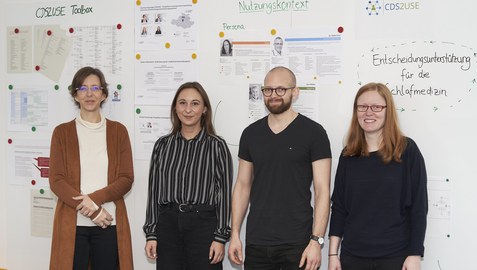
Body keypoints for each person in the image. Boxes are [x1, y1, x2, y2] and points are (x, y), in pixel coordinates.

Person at [228, 66, 332, 270]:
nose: (273, 95)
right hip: (257, 243)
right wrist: (234, 235)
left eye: (280, 89)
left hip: (298, 244)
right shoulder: (250, 134)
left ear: (295, 91)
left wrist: (316, 241)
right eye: (268, 90)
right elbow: (242, 186)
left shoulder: (314, 133)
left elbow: (322, 191)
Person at [328, 82, 428, 270]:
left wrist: (415, 254)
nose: (368, 112)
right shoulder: (348, 155)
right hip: (352, 257)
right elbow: (340, 207)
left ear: (387, 110)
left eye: (376, 107)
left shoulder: (407, 151)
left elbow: (418, 207)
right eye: (362, 107)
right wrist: (333, 254)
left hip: (395, 257)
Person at [49, 66, 134, 270]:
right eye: (83, 88)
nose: (89, 94)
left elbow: (126, 178)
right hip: (72, 226)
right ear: (75, 95)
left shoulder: (118, 131)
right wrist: (93, 211)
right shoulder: (61, 133)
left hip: (109, 223)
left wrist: (93, 201)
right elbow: (57, 181)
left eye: (95, 88)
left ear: (103, 94)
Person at [143, 82, 233, 270]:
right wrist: (151, 233)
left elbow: (224, 194)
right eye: (182, 103)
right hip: (168, 224)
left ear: (205, 109)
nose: (188, 110)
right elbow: (154, 191)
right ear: (175, 108)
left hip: (204, 226)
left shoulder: (217, 146)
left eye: (195, 103)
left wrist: (220, 237)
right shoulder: (162, 145)